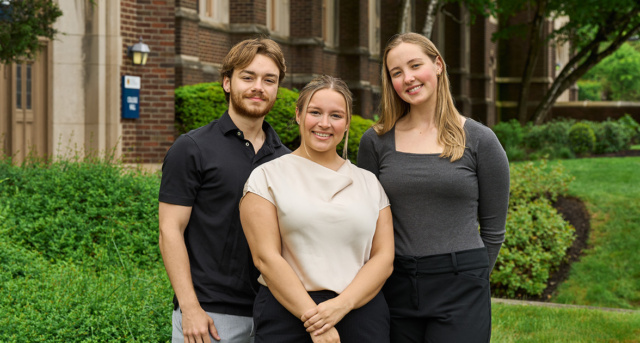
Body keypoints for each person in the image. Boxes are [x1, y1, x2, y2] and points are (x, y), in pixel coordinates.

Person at [358, 32, 510, 342]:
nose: (408, 78)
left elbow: (494, 231)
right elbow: (365, 222)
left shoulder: (481, 141)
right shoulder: (375, 142)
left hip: (461, 286)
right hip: (394, 284)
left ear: (438, 65)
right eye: (396, 72)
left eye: (415, 65)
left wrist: (471, 278)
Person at [239, 75, 395, 343]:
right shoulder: (266, 177)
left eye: (336, 115)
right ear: (299, 115)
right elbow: (266, 258)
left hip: (360, 314)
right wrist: (317, 321)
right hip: (288, 315)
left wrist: (341, 306)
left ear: (346, 124)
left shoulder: (369, 183)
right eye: (315, 112)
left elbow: (383, 258)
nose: (324, 123)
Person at [158, 37, 290, 343]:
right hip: (210, 318)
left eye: (269, 80)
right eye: (248, 77)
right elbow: (169, 231)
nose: (259, 86)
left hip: (274, 315)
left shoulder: (287, 160)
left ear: (277, 89)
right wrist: (190, 308)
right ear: (227, 83)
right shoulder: (192, 149)